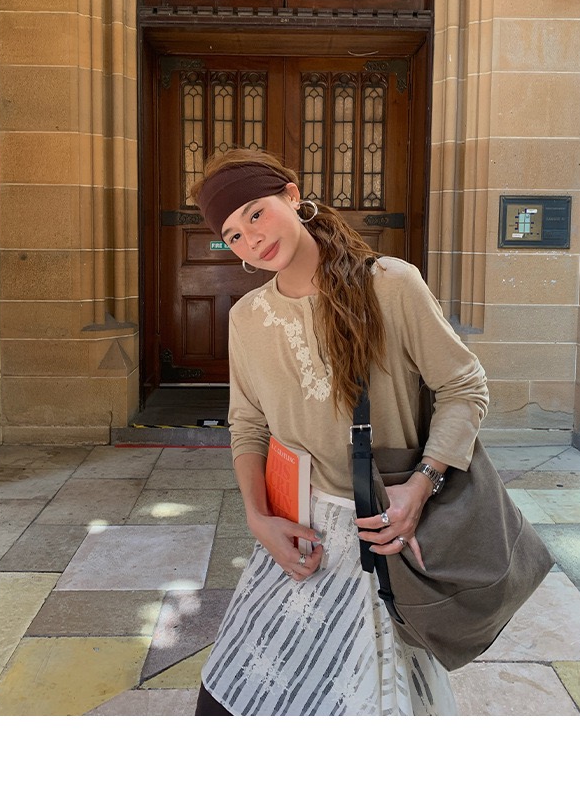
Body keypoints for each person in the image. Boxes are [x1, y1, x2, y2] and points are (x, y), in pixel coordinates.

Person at [191, 148, 488, 716]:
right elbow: (247, 425)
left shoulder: (391, 285)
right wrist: (257, 518)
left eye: (256, 213)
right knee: (230, 702)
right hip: (297, 534)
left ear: (292, 195)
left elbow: (464, 386)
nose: (252, 239)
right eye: (233, 235)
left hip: (383, 530)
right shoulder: (246, 319)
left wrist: (421, 485)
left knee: (367, 704)